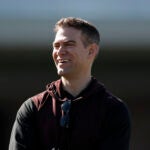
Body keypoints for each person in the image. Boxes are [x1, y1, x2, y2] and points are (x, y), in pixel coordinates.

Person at [9, 17, 131, 150]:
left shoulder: (113, 111)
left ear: (91, 51)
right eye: (56, 46)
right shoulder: (33, 108)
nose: (60, 51)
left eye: (69, 44)